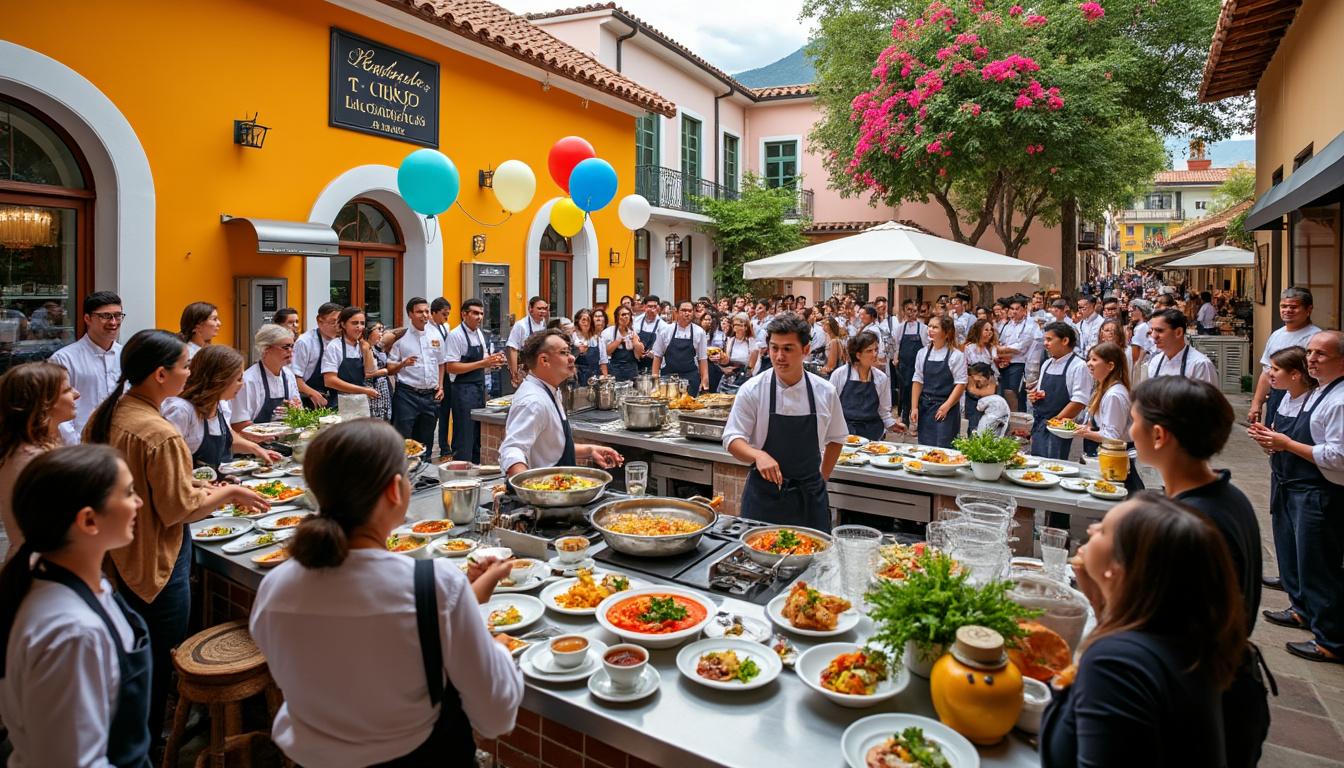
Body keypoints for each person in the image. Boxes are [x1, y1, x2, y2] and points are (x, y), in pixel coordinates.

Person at [250, 420, 523, 766]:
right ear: (396, 490)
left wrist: (463, 599)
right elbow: (496, 717)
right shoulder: (434, 585)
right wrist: (497, 652)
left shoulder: (277, 588)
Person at [85, 329, 269, 743]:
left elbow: (151, 489)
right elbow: (177, 510)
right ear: (160, 374)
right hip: (154, 563)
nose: (190, 373)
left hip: (114, 556)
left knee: (129, 663)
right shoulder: (160, 432)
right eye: (185, 366)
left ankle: (130, 734)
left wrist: (200, 487)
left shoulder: (109, 413)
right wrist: (230, 493)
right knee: (154, 665)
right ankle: (147, 742)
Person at [1042, 493, 1248, 767]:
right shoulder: (1184, 638)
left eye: (1103, 530)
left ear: (1119, 569)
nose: (1090, 529)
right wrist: (1101, 602)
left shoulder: (1115, 665)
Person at [1130, 375, 1270, 762]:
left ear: (1158, 436)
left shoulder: (1189, 523)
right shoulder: (1228, 495)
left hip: (1194, 700)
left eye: (1133, 421)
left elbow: (1165, 627)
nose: (1130, 430)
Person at [0, 445, 152, 767]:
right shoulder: (73, 634)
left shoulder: (62, 576)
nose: (138, 502)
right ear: (88, 520)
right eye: (128, 493)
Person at [1248, 330, 1344, 664]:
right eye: (1311, 353)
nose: (1312, 359)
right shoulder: (1316, 393)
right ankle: (1302, 609)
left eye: (1321, 355)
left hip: (1316, 489)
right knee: (1296, 556)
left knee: (1319, 565)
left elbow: (1337, 457)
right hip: (1290, 481)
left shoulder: (1339, 400)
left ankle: (1331, 639)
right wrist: (1272, 441)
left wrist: (1285, 444)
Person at [724, 315, 847, 531]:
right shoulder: (753, 389)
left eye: (788, 349)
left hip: (809, 499)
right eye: (774, 348)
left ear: (806, 350)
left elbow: (836, 438)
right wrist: (758, 455)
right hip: (764, 498)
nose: (779, 356)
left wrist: (822, 477)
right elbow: (732, 438)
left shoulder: (825, 391)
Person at [498, 330, 623, 475]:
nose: (571, 358)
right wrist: (528, 489)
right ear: (544, 360)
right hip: (544, 494)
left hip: (560, 489)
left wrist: (590, 450)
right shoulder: (533, 401)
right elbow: (512, 449)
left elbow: (551, 448)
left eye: (570, 352)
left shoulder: (551, 390)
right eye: (564, 353)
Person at [0, 363, 78, 554]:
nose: (76, 394)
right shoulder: (32, 460)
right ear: (44, 403)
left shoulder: (38, 448)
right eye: (67, 390)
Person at [162, 345, 279, 471]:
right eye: (239, 379)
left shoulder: (221, 405)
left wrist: (257, 449)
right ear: (220, 379)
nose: (242, 385)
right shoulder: (181, 410)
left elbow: (227, 438)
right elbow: (166, 464)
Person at [1257, 346, 1316, 593]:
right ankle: (1290, 583)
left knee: (1307, 545)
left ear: (1295, 375)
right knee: (1284, 533)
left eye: (1276, 369)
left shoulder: (1315, 402)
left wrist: (1285, 444)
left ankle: (1305, 603)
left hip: (1304, 481)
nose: (1270, 374)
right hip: (1282, 475)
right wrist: (1268, 441)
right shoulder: (1284, 399)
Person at [49, 291, 123, 445]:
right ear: (87, 318)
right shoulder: (64, 359)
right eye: (105, 316)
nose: (113, 322)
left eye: (118, 315)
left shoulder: (126, 355)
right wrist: (76, 444)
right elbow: (55, 407)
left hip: (120, 441)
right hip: (80, 445)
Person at [1249, 287, 1321, 424]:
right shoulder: (1277, 335)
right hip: (1276, 395)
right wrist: (1256, 404)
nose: (1287, 310)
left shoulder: (1315, 337)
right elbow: (1266, 372)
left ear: (1308, 310)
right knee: (1271, 437)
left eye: (1293, 307)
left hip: (1304, 397)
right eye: (1284, 306)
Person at [446, 299, 505, 465]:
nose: (479, 317)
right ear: (464, 314)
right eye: (475, 313)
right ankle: (460, 467)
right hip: (462, 390)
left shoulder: (479, 333)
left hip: (479, 388)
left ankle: (476, 467)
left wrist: (494, 361)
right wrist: (482, 364)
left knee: (477, 432)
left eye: (481, 313)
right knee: (464, 432)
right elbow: (451, 367)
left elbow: (483, 358)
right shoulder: (455, 335)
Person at [390, 297, 445, 462]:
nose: (425, 315)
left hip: (430, 395)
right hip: (407, 395)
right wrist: (403, 364)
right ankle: (403, 477)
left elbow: (442, 363)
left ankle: (424, 478)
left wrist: (441, 386)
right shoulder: (401, 338)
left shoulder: (436, 334)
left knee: (426, 439)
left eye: (427, 311)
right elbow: (389, 368)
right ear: (410, 314)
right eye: (420, 311)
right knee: (404, 439)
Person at [1026, 322, 1089, 459]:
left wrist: (1055, 421)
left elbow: (1079, 401)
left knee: (1055, 466)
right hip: (1040, 424)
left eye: (1049, 339)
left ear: (1065, 340)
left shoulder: (1079, 366)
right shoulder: (1047, 364)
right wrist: (1035, 397)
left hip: (1060, 428)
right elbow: (1041, 392)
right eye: (1044, 339)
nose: (1045, 343)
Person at [829, 331, 899, 440]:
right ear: (858, 355)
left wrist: (892, 424)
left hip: (873, 433)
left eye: (876, 349)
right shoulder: (839, 375)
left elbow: (883, 411)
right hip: (845, 433)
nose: (875, 354)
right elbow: (830, 407)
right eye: (869, 351)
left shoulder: (881, 378)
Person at [230, 323, 302, 431]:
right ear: (265, 349)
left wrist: (295, 410)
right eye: (285, 347)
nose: (290, 351)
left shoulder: (288, 375)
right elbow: (238, 424)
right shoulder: (249, 380)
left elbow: (298, 409)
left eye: (292, 346)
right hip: (254, 443)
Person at [910, 316, 966, 449]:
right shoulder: (922, 353)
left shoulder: (956, 355)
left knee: (944, 447)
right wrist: (914, 407)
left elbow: (961, 384)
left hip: (946, 407)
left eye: (935, 327)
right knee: (925, 447)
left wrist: (947, 406)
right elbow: (918, 380)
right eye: (929, 326)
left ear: (946, 333)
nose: (930, 330)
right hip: (925, 407)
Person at [322, 306, 382, 411]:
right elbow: (330, 380)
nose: (359, 327)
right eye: (355, 323)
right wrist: (364, 390)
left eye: (362, 323)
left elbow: (370, 371)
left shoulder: (363, 346)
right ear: (343, 324)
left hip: (360, 403)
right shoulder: (335, 346)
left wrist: (366, 347)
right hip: (339, 402)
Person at [651, 301, 710, 396]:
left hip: (690, 378)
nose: (687, 313)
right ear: (676, 312)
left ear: (693, 313)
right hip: (668, 379)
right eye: (683, 310)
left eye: (690, 311)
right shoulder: (665, 330)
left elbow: (702, 358)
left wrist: (705, 380)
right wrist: (655, 382)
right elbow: (658, 356)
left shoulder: (699, 332)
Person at [1147, 309, 1217, 386]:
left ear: (1178, 332)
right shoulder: (1155, 361)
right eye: (1152, 330)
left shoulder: (1200, 364)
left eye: (1160, 330)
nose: (1153, 336)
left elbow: (1208, 397)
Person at [290, 303, 340, 409]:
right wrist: (313, 393)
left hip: (336, 400)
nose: (337, 326)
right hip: (311, 401)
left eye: (340, 322)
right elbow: (294, 378)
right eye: (333, 322)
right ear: (319, 320)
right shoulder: (305, 342)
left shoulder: (340, 342)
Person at [996, 297, 1041, 412]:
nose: (1014, 312)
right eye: (1012, 309)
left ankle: (1019, 419)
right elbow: (1000, 341)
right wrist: (1002, 351)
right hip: (1003, 363)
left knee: (1013, 392)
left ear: (1024, 309)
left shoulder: (1030, 325)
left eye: (1017, 309)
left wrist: (1001, 350)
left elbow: (1020, 348)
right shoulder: (1007, 325)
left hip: (1018, 364)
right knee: (1003, 392)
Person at [428, 298, 454, 462]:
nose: (446, 317)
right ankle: (431, 449)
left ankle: (445, 447)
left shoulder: (445, 327)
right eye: (444, 314)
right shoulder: (428, 329)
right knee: (433, 414)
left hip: (446, 374)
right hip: (434, 374)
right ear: (434, 312)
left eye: (448, 314)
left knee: (445, 412)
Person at [362, 321, 398, 422]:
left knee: (385, 419)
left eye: (382, 330)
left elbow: (395, 334)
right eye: (379, 330)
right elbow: (363, 373)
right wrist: (383, 371)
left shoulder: (377, 347)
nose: (381, 333)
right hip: (370, 389)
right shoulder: (363, 347)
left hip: (383, 388)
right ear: (368, 331)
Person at [716, 313, 758, 394]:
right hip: (731, 375)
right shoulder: (731, 340)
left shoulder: (750, 341)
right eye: (734, 324)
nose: (735, 326)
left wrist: (747, 374)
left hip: (744, 376)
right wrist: (722, 358)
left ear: (745, 327)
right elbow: (727, 360)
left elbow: (754, 360)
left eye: (738, 324)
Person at [601, 305, 643, 382]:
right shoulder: (608, 332)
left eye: (628, 314)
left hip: (631, 369)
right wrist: (618, 341)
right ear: (617, 317)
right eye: (623, 314)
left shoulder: (633, 332)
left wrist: (636, 342)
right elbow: (606, 352)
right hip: (615, 369)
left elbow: (640, 354)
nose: (626, 316)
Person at [965, 363, 1009, 436]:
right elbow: (972, 390)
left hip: (992, 410)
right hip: (973, 405)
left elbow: (990, 391)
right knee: (973, 428)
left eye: (979, 379)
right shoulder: (970, 378)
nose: (977, 381)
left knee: (992, 429)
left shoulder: (992, 379)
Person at [633, 296, 666, 376]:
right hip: (636, 362)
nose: (652, 310)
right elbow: (632, 335)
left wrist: (654, 353)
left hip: (653, 363)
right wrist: (636, 345)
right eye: (649, 306)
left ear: (658, 308)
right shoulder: (636, 321)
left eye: (655, 307)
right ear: (644, 307)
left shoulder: (663, 325)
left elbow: (664, 346)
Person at [572, 309, 602, 385]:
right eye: (583, 320)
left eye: (589, 320)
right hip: (577, 375)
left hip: (594, 375)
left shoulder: (597, 338)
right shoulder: (572, 337)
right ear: (578, 321)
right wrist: (578, 351)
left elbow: (603, 359)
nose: (586, 323)